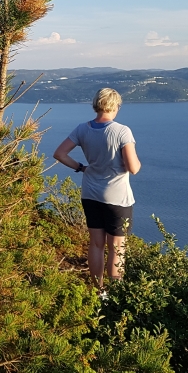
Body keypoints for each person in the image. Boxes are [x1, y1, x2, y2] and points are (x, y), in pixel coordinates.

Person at [53, 88, 141, 290]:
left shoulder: (82, 129)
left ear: (96, 104)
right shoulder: (122, 131)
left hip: (90, 193)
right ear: (116, 106)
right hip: (117, 198)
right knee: (117, 247)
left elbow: (59, 153)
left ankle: (98, 292)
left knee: (96, 244)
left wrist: (81, 168)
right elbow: (133, 168)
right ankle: (115, 295)